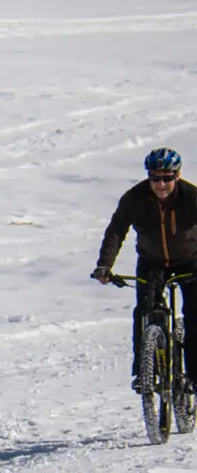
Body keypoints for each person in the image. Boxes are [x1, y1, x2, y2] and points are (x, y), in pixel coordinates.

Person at [92, 148, 197, 389]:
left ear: (177, 176)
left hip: (190, 260)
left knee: (194, 314)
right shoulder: (135, 198)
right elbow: (116, 230)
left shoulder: (191, 196)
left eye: (167, 178)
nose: (161, 184)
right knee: (144, 312)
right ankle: (143, 374)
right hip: (152, 261)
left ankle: (194, 377)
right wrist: (104, 265)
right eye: (155, 178)